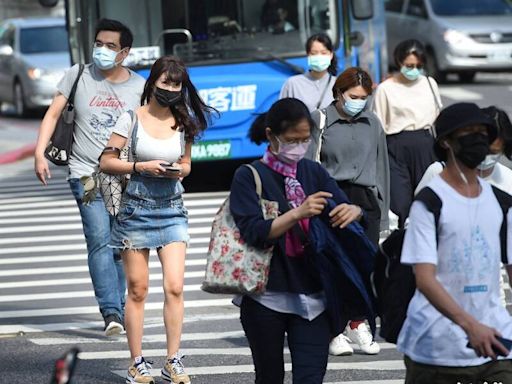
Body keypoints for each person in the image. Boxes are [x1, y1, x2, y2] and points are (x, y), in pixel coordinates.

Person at [230, 97, 376, 383]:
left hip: (315, 296)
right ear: (271, 136)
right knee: (269, 377)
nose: (299, 147)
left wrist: (355, 211)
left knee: (311, 377)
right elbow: (254, 232)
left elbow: (343, 207)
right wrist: (298, 213)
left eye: (305, 139)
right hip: (265, 297)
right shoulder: (249, 176)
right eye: (291, 140)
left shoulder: (314, 172)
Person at [100, 56, 215, 384]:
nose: (170, 89)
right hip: (135, 208)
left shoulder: (184, 121)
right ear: (152, 83)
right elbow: (106, 161)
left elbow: (187, 163)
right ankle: (137, 362)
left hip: (172, 207)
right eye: (165, 83)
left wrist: (180, 170)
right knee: (138, 289)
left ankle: (173, 360)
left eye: (176, 85)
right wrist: (141, 167)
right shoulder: (130, 119)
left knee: (175, 286)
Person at [33, 19, 145, 335]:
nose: (102, 50)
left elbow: (149, 128)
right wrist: (39, 152)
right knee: (98, 237)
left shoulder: (139, 87)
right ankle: (111, 312)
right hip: (86, 174)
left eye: (111, 46)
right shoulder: (77, 75)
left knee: (120, 244)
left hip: (124, 176)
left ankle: (120, 309)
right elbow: (53, 114)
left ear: (124, 53)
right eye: (99, 43)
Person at [398, 102, 512, 383]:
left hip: (495, 343)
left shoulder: (502, 203)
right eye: (468, 133)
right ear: (446, 142)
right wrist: (470, 326)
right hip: (436, 349)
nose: (478, 140)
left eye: (482, 133)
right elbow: (425, 279)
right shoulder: (430, 203)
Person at [305, 67, 389, 356]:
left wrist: (384, 213)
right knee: (336, 268)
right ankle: (334, 329)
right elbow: (308, 164)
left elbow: (382, 169)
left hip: (366, 202)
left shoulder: (373, 122)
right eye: (353, 96)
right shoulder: (321, 119)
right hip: (332, 198)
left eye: (364, 97)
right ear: (339, 93)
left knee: (365, 270)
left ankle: (358, 323)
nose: (359, 101)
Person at [372, 39, 442, 228]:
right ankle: (401, 247)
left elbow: (437, 116)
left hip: (426, 145)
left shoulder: (429, 83)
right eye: (409, 65)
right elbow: (378, 123)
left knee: (427, 199)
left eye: (418, 66)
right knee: (400, 202)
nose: (414, 70)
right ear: (399, 62)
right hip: (395, 147)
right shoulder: (386, 89)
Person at [279, 33, 337, 112]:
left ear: (331, 55)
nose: (319, 57)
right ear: (308, 55)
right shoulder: (293, 84)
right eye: (314, 53)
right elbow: (281, 114)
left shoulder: (339, 84)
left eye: (323, 53)